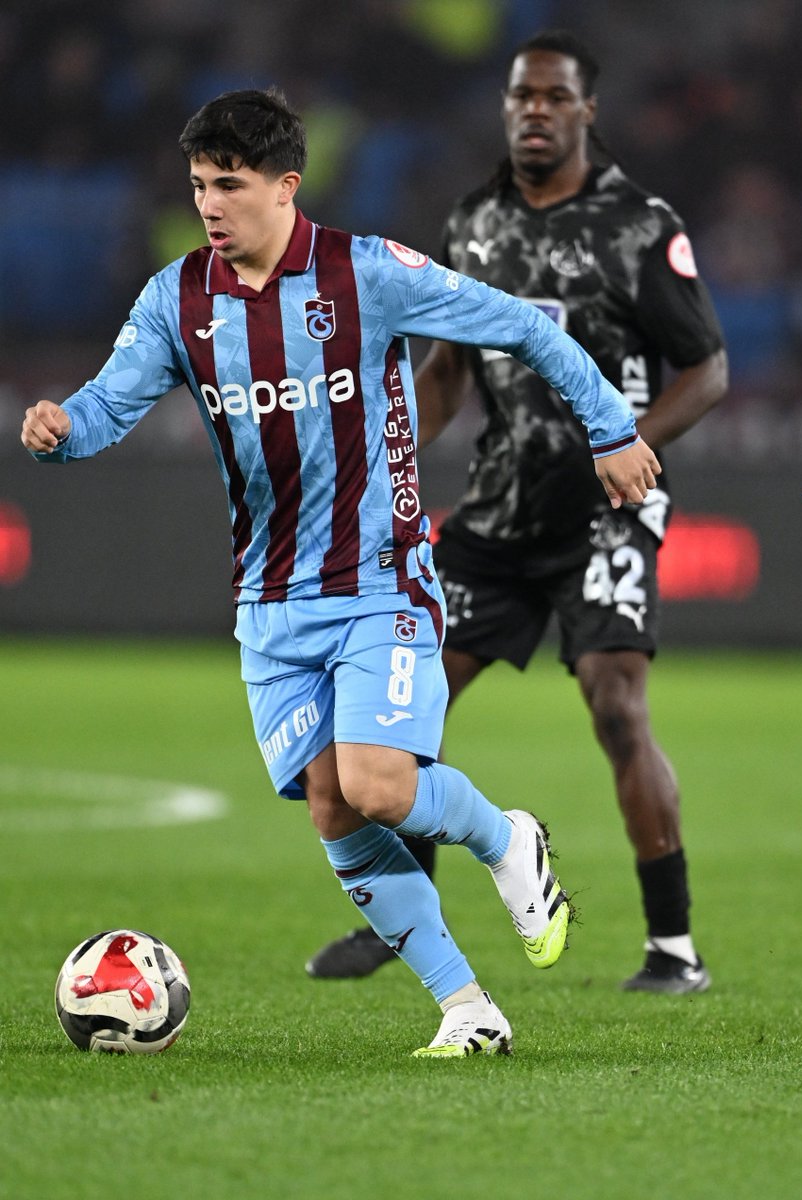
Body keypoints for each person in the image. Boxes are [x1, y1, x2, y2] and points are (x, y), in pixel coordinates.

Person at [21, 87, 663, 1057]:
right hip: (267, 605)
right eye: (198, 184)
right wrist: (64, 429)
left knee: (377, 785)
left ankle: (505, 838)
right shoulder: (177, 301)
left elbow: (523, 328)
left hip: (379, 582)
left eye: (229, 184)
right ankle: (466, 1007)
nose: (209, 204)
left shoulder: (368, 275)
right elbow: (112, 403)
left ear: (286, 185)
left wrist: (612, 428)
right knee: (330, 803)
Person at [306, 30, 727, 993]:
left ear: (587, 112)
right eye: (519, 97)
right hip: (495, 513)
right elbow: (450, 367)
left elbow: (708, 367)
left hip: (603, 518)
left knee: (617, 708)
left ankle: (674, 949)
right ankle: (397, 923)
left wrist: (628, 445)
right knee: (402, 710)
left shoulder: (636, 223)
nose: (534, 111)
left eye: (553, 97)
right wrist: (387, 455)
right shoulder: (474, 223)